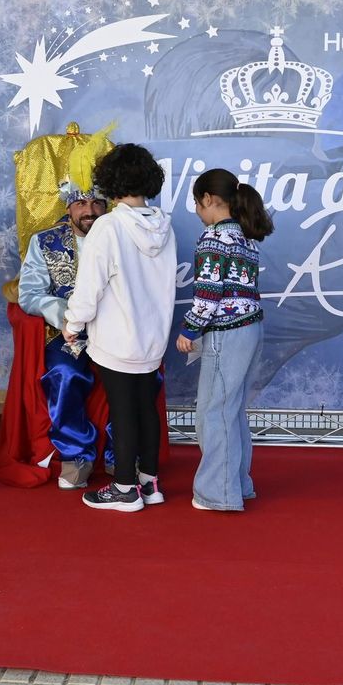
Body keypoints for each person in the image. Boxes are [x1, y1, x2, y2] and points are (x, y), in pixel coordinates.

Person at [63, 143, 176, 512]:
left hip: (116, 337)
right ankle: (150, 483)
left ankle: (125, 488)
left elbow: (89, 285)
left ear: (109, 182)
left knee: (123, 412)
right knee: (146, 408)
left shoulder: (108, 227)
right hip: (153, 336)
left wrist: (73, 324)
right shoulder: (165, 225)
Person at [176, 168, 273, 512]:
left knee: (215, 412)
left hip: (227, 331)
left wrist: (190, 329)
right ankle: (238, 484)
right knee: (232, 411)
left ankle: (217, 492)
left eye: (196, 205)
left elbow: (208, 293)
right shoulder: (246, 237)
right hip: (251, 328)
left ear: (207, 200)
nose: (198, 213)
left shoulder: (214, 237)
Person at [15, 176, 113, 489]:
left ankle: (120, 455)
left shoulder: (120, 236)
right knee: (63, 374)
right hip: (68, 334)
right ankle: (76, 455)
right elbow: (29, 294)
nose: (90, 210)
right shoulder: (45, 241)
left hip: (116, 329)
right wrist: (64, 317)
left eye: (97, 202)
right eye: (81, 203)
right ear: (68, 206)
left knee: (139, 378)